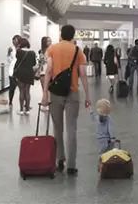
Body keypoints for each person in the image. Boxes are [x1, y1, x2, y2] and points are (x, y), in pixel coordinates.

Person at [41, 25, 91, 176]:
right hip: (73, 93)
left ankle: (59, 160)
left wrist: (44, 94)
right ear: (73, 35)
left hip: (55, 93)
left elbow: (48, 70)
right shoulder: (78, 50)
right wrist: (88, 96)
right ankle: (71, 165)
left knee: (57, 128)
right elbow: (82, 74)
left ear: (61, 35)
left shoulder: (52, 49)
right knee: (72, 129)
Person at [13, 37, 37, 116]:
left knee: (21, 91)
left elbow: (17, 60)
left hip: (20, 73)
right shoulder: (32, 53)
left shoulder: (19, 52)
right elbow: (34, 64)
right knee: (27, 91)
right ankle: (27, 110)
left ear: (21, 44)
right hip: (29, 73)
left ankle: (21, 110)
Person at [7, 34, 20, 108]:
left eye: (15, 40)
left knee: (23, 88)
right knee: (12, 87)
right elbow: (9, 60)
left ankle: (24, 103)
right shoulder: (11, 49)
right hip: (12, 71)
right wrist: (8, 54)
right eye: (13, 40)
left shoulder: (22, 48)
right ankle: (10, 101)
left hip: (21, 70)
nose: (14, 42)